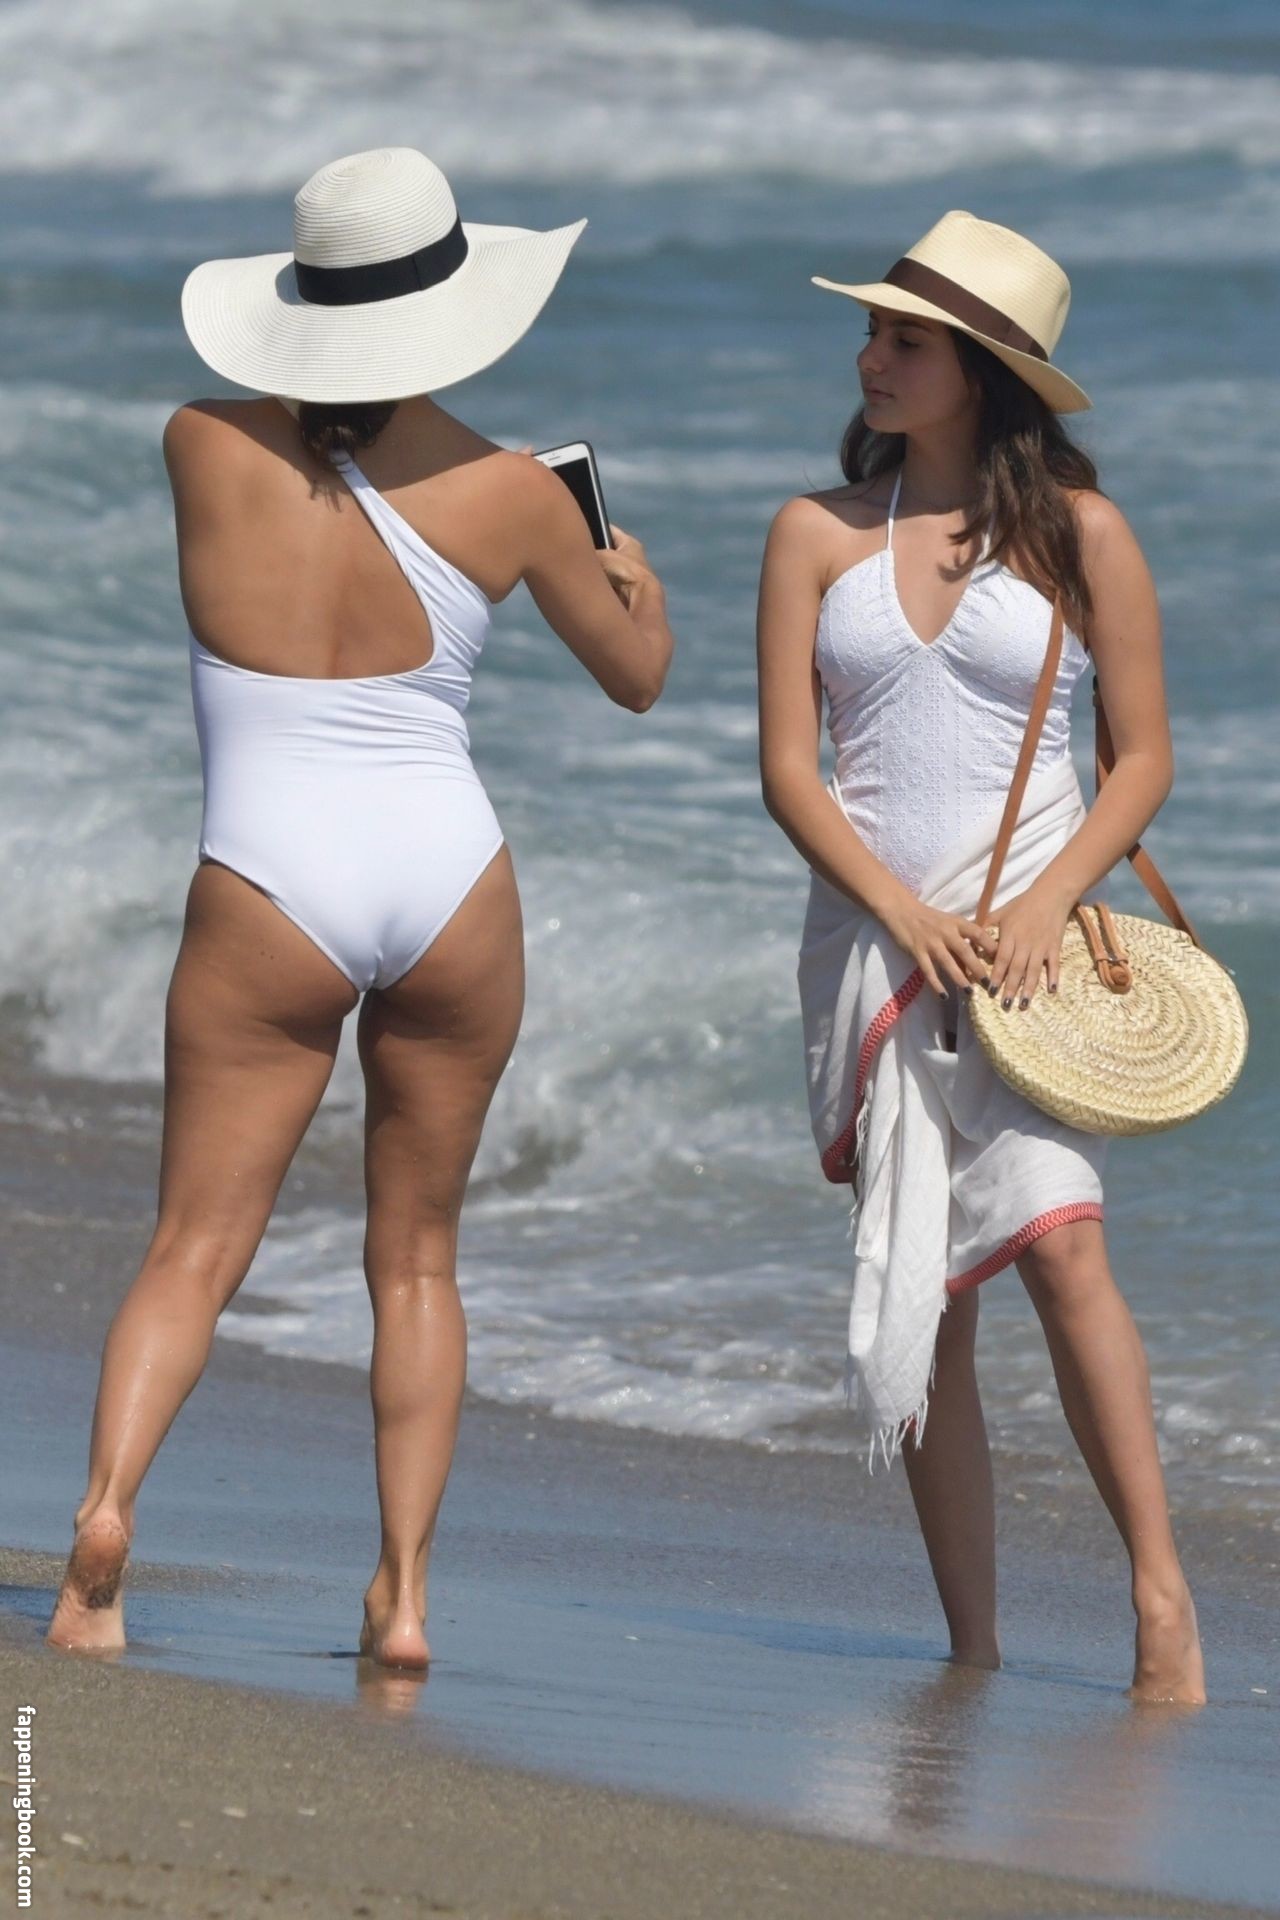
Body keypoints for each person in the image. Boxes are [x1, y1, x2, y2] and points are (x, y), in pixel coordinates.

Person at [46, 147, 674, 1670]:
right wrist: (629, 572)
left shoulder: (201, 440)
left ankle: (105, 1527)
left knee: (192, 1247)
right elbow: (640, 679)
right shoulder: (518, 494)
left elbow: (315, 458)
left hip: (270, 880)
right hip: (448, 880)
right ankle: (402, 1598)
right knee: (419, 1261)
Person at [756, 210, 1204, 1704]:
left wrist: (1042, 904)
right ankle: (973, 1648)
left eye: (907, 340)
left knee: (1065, 1246)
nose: (872, 359)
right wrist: (901, 911)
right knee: (929, 1290)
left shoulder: (1084, 535)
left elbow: (1142, 759)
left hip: (1025, 953)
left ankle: (1160, 1604)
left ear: (984, 371)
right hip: (877, 947)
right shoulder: (816, 533)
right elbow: (791, 773)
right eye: (872, 334)